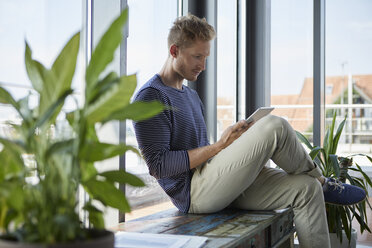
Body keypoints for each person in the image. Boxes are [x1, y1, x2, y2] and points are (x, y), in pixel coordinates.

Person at [133, 14, 366, 248]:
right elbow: (159, 166)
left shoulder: (190, 95)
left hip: (213, 180)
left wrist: (233, 143)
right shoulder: (150, 97)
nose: (203, 65)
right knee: (275, 125)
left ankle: (319, 184)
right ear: (174, 51)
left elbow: (202, 152)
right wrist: (220, 146)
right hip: (193, 195)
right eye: (197, 56)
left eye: (205, 57)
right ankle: (324, 181)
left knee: (307, 188)